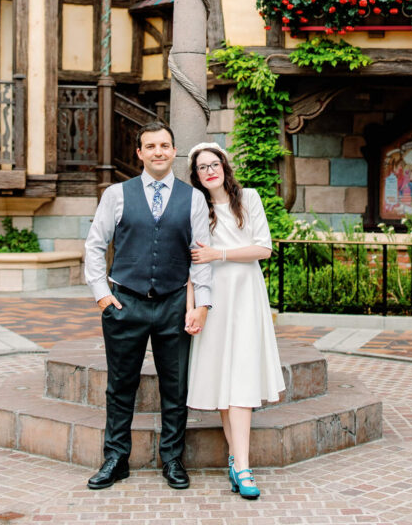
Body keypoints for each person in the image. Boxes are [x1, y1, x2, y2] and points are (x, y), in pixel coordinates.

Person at [83, 122, 212, 491]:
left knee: (175, 386)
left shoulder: (193, 199)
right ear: (139, 152)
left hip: (174, 302)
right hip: (125, 303)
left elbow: (200, 257)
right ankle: (115, 458)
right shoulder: (117, 194)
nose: (158, 151)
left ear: (174, 152)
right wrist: (102, 296)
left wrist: (201, 304)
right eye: (151, 146)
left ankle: (172, 459)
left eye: (165, 145)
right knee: (120, 385)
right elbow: (95, 245)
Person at [185, 141, 284, 500]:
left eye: (214, 164)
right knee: (226, 381)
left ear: (225, 167)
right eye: (202, 168)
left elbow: (264, 248)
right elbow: (193, 263)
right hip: (214, 298)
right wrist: (191, 307)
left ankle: (242, 466)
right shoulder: (198, 207)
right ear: (196, 176)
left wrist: (220, 253)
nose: (209, 171)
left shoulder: (250, 199)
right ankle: (236, 462)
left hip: (246, 294)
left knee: (241, 374)